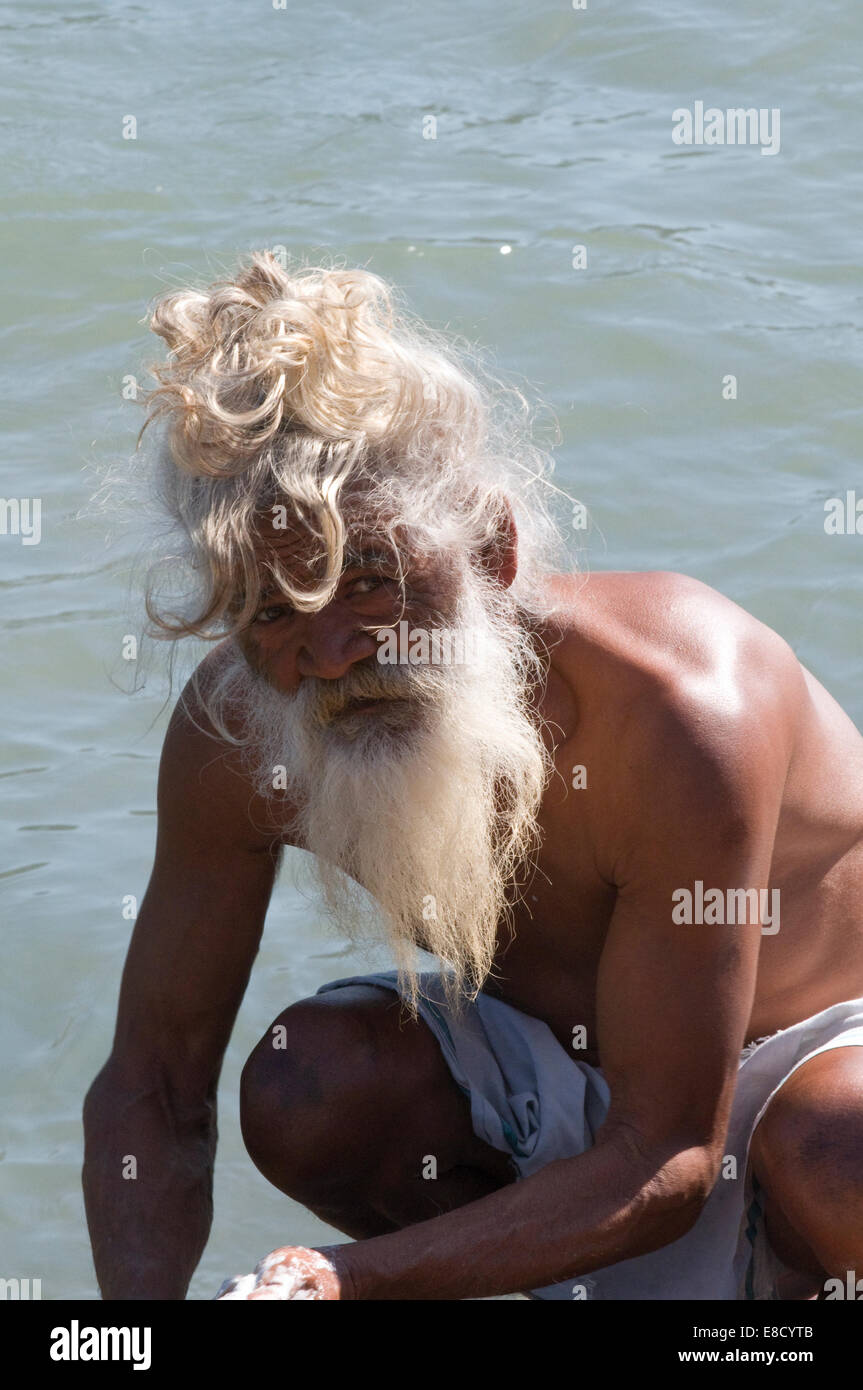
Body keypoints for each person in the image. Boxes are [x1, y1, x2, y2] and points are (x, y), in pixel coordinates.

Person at [83, 251, 863, 1301]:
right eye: (275, 611)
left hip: (785, 1080)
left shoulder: (681, 708)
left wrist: (337, 1282)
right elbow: (153, 1080)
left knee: (839, 1150)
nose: (331, 655)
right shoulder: (239, 733)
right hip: (552, 1081)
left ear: (491, 553)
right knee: (304, 1084)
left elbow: (669, 1153)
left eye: (372, 582)